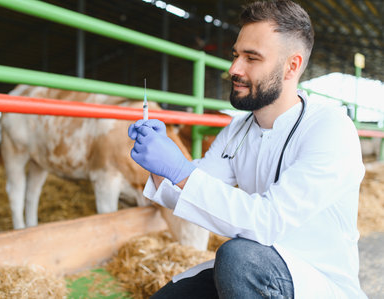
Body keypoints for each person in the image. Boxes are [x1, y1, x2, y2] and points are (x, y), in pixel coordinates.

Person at [128, 0, 366, 298]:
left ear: (292, 66)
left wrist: (181, 169)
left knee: (237, 258)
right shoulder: (238, 129)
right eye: (236, 55)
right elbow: (193, 190)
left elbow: (268, 222)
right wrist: (161, 166)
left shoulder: (330, 129)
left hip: (314, 281)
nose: (234, 69)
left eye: (251, 58)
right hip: (252, 270)